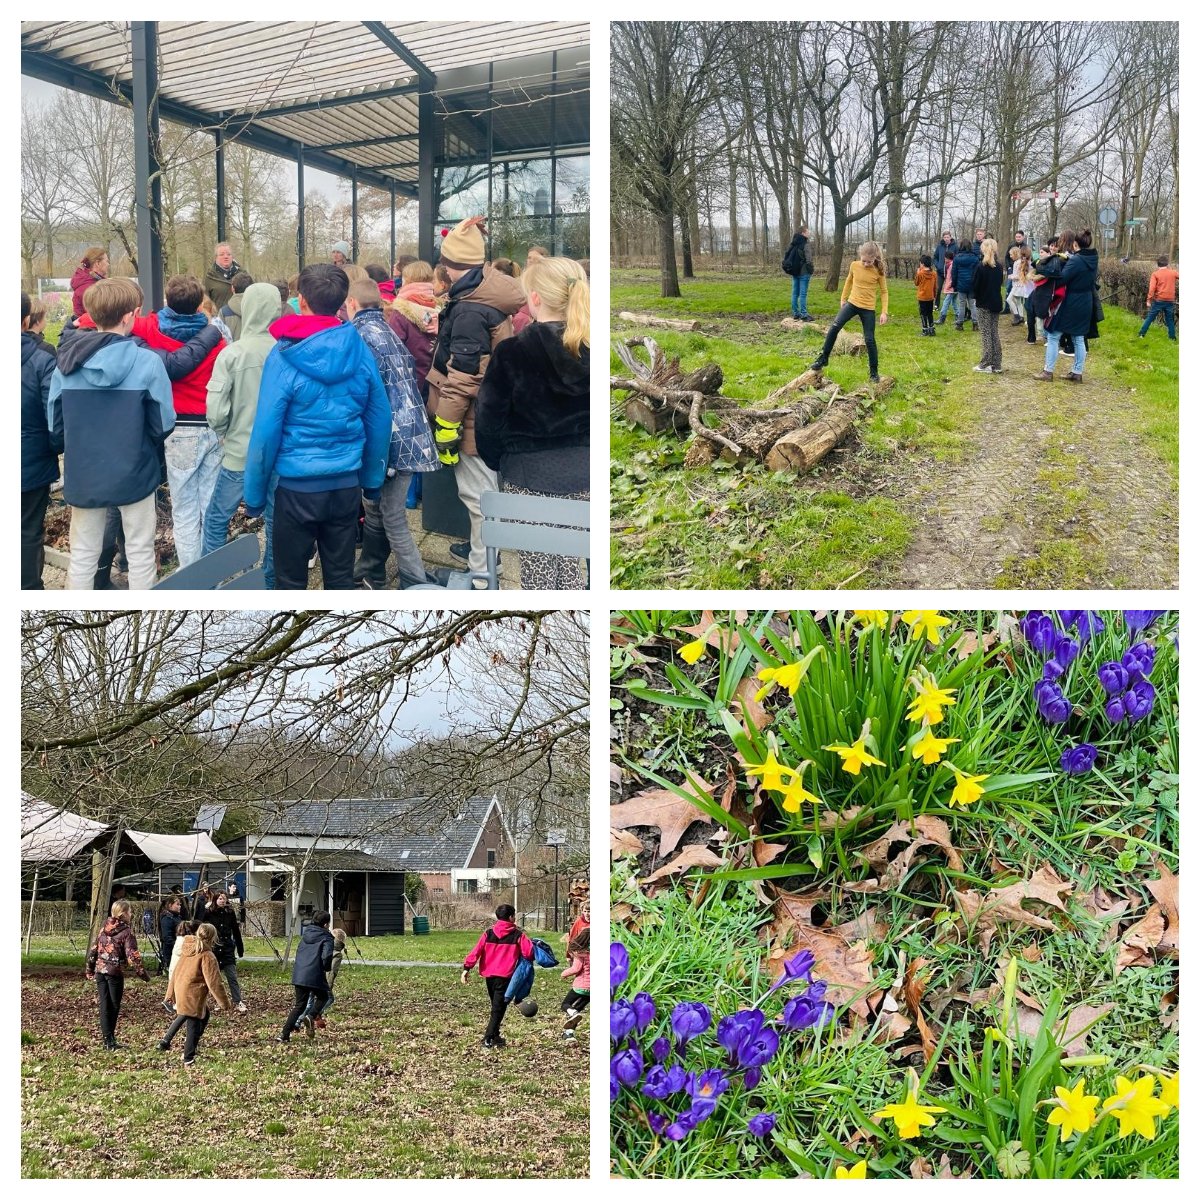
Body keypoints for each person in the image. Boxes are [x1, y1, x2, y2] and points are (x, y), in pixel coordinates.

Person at [242, 264, 390, 590]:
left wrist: (253, 495)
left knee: (289, 583)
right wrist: (371, 481)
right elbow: (379, 419)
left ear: (301, 300)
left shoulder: (282, 357)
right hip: (345, 487)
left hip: (297, 490)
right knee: (340, 580)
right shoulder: (360, 351)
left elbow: (266, 432)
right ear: (341, 301)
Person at [47, 277, 176, 590]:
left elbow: (55, 427)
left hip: (85, 472)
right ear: (129, 315)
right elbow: (164, 424)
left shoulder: (65, 365)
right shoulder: (148, 363)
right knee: (141, 554)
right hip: (135, 471)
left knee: (82, 556)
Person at [475, 256, 590, 588]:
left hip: (526, 474)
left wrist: (501, 461)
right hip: (583, 474)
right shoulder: (591, 348)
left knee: (536, 569)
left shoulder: (512, 352)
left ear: (535, 298)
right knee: (570, 564)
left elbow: (488, 419)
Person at [425, 217, 525, 577]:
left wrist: (446, 426)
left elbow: (463, 378)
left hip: (469, 418)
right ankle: (485, 564)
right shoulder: (481, 295)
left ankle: (483, 576)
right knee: (484, 495)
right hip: (485, 411)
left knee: (478, 499)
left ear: (451, 266)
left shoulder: (469, 310)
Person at [345, 278, 439, 588]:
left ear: (352, 304)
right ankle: (372, 571)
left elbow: (366, 394)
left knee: (393, 516)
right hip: (412, 432)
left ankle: (414, 580)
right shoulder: (387, 330)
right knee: (378, 509)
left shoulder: (360, 336)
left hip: (391, 439)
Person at [132, 274, 226, 568]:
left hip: (179, 428)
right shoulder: (216, 339)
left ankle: (191, 575)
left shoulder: (151, 333)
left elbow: (116, 321)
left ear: (166, 302)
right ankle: (213, 570)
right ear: (200, 305)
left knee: (183, 509)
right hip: (212, 426)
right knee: (210, 506)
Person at [202, 281, 279, 560]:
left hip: (239, 452)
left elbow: (216, 411)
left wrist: (225, 432)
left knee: (216, 519)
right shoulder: (286, 351)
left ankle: (208, 584)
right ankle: (271, 586)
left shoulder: (232, 354)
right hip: (277, 454)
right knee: (275, 525)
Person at [807, 241, 889, 383]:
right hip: (852, 303)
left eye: (869, 262)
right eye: (863, 261)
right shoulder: (854, 265)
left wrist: (884, 312)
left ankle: (874, 372)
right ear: (860, 256)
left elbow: (884, 292)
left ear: (875, 257)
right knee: (834, 327)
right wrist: (843, 298)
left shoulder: (879, 271)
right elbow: (848, 281)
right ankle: (823, 358)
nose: (865, 264)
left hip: (868, 309)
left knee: (869, 339)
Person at [22, 292, 58, 589]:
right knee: (28, 531)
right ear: (26, 321)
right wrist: (57, 446)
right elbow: (53, 415)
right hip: (29, 462)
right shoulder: (42, 359)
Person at [461, 903, 534, 1049]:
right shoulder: (518, 935)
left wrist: (466, 968)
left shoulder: (488, 933)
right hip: (505, 977)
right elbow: (529, 953)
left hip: (489, 977)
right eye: (514, 916)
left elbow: (477, 951)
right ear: (511, 917)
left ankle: (496, 1036)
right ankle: (487, 1039)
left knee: (497, 1007)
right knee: (498, 1008)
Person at [161, 923, 231, 1066]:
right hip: (193, 993)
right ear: (213, 937)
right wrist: (224, 1002)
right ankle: (188, 1057)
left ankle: (168, 1041)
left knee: (204, 1014)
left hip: (182, 988)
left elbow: (176, 972)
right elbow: (214, 982)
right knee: (193, 1022)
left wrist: (171, 992)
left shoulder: (188, 949)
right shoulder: (207, 955)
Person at [85, 899, 149, 1050]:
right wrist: (142, 974)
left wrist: (89, 969)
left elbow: (94, 950)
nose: (131, 914)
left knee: (104, 1005)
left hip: (100, 971)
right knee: (113, 1006)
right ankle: (110, 1041)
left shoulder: (103, 928)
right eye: (130, 911)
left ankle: (107, 1039)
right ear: (123, 914)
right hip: (114, 973)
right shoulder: (127, 932)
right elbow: (132, 956)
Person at [1036, 229, 1098, 383]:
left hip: (1071, 301)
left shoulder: (1076, 260)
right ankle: (1077, 373)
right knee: (1078, 338)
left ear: (1075, 244)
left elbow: (1062, 279)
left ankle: (1047, 372)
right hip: (1086, 301)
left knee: (1053, 335)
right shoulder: (1092, 258)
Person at [279, 911, 335, 1043]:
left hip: (299, 973)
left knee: (299, 1005)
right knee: (323, 997)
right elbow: (326, 956)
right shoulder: (327, 937)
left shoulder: (306, 934)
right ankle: (311, 1016)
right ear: (326, 924)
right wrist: (326, 968)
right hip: (315, 973)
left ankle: (284, 1034)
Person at [299, 926, 347, 1030]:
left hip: (312, 977)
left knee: (309, 1001)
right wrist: (328, 986)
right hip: (323, 981)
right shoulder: (337, 954)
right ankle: (315, 1014)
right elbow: (331, 971)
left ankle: (297, 1022)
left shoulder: (323, 946)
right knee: (329, 998)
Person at [207, 891, 247, 1013]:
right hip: (214, 949)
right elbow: (201, 928)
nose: (222, 901)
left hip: (227, 949)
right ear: (215, 900)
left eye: (224, 898)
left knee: (232, 976)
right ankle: (219, 1001)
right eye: (219, 898)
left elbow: (235, 930)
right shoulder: (209, 913)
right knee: (215, 978)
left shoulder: (229, 913)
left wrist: (240, 947)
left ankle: (237, 1001)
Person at [971, 238, 1005, 373]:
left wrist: (976, 298)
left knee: (986, 334)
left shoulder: (981, 266)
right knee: (994, 333)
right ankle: (997, 364)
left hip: (983, 303)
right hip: (995, 302)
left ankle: (985, 363)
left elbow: (975, 286)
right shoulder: (999, 266)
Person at [560, 927, 590, 1041]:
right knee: (576, 1012)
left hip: (581, 987)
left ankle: (573, 1013)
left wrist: (564, 974)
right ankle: (569, 1034)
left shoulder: (581, 954)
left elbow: (576, 968)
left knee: (565, 1005)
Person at [1139, 254, 1178, 340]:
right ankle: (1172, 338)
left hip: (1159, 300)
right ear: (1167, 264)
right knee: (1170, 320)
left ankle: (1142, 334)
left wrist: (1149, 300)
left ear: (1158, 264)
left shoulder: (1155, 274)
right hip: (1170, 300)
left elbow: (1152, 288)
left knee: (1150, 318)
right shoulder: (1173, 272)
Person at [783, 225, 816, 320]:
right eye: (807, 232)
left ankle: (795, 313)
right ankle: (804, 314)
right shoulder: (806, 244)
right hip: (804, 272)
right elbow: (809, 260)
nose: (809, 233)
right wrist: (811, 270)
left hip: (794, 272)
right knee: (803, 294)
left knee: (794, 293)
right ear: (803, 233)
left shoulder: (793, 243)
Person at [70, 248, 109, 319]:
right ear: (98, 263)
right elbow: (100, 317)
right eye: (106, 261)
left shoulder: (90, 282)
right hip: (91, 328)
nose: (108, 264)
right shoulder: (90, 288)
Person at [951, 239, 980, 330]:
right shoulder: (975, 258)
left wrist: (954, 284)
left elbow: (954, 273)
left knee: (962, 304)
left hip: (961, 284)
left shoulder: (957, 258)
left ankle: (960, 323)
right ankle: (975, 323)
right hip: (972, 285)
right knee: (972, 305)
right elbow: (977, 273)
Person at [203, 243, 242, 309]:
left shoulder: (243, 274)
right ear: (216, 257)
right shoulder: (209, 277)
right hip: (219, 317)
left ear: (232, 256)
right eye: (222, 254)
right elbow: (205, 303)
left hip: (241, 317)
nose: (226, 257)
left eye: (228, 254)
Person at [219, 271, 255, 341]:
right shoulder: (260, 309)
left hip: (230, 350)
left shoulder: (223, 312)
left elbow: (219, 338)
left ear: (232, 288)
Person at [1004, 231, 1028, 320]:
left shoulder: (1017, 263)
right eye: (1016, 236)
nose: (1010, 256)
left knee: (1009, 299)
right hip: (1018, 284)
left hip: (1017, 285)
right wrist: (1009, 270)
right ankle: (1021, 317)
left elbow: (1019, 275)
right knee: (1018, 301)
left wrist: (1011, 276)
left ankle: (1016, 315)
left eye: (1011, 254)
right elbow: (1006, 258)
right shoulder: (1017, 261)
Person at [158, 895, 183, 976]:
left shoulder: (177, 917)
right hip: (171, 950)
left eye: (180, 904)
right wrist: (177, 945)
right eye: (177, 904)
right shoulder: (167, 919)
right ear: (170, 905)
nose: (180, 906)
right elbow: (167, 936)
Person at [914, 254, 937, 336]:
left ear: (922, 264)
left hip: (922, 297)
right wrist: (934, 296)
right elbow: (935, 287)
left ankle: (925, 330)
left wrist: (917, 273)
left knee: (923, 314)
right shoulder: (934, 273)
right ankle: (932, 329)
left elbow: (916, 283)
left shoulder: (921, 273)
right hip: (930, 297)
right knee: (930, 313)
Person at [932, 231, 955, 307]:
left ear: (950, 237)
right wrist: (938, 265)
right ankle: (936, 305)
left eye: (947, 237)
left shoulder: (955, 247)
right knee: (938, 289)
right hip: (940, 272)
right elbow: (935, 257)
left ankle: (947, 306)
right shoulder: (940, 246)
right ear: (943, 238)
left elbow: (957, 257)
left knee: (949, 290)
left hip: (950, 272)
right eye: (944, 237)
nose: (946, 239)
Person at [935, 247, 956, 326]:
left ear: (948, 258)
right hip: (953, 287)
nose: (944, 259)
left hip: (951, 287)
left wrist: (948, 287)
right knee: (954, 303)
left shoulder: (951, 266)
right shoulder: (949, 265)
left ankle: (942, 317)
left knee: (946, 302)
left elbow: (950, 278)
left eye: (945, 258)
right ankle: (958, 316)